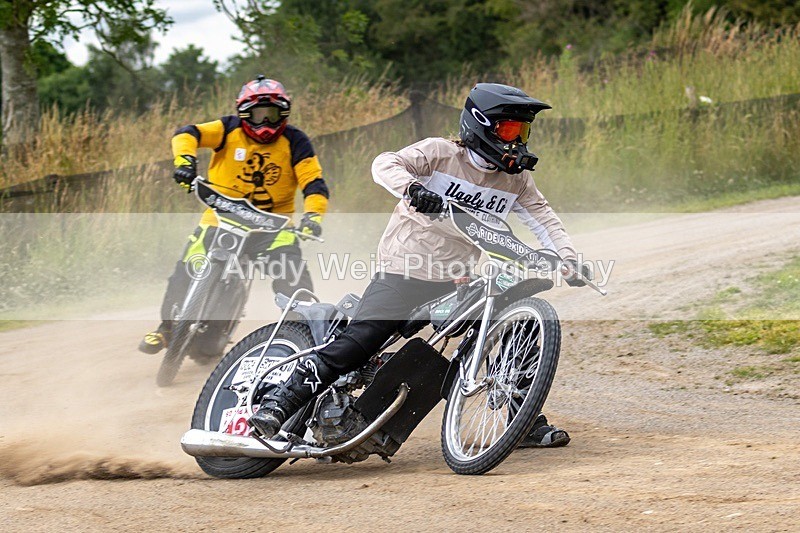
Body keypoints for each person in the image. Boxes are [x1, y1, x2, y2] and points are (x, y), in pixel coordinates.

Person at [249, 83, 587, 448]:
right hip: (403, 270)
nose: (517, 140)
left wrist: (567, 259)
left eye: (522, 132)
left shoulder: (516, 180)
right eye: (509, 130)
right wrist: (412, 189)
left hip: (456, 278)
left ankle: (521, 420)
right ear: (481, 125)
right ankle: (279, 403)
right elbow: (384, 163)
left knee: (510, 323)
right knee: (361, 340)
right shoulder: (440, 154)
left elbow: (544, 219)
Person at [139, 75, 329, 355]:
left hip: (273, 227)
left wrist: (313, 217)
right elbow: (186, 132)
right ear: (243, 113)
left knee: (292, 274)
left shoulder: (296, 140)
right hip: (220, 217)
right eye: (257, 115)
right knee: (186, 267)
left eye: (272, 114)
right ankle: (166, 328)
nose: (265, 122)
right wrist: (185, 163)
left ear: (284, 113)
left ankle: (302, 334)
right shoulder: (227, 128)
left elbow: (314, 183)